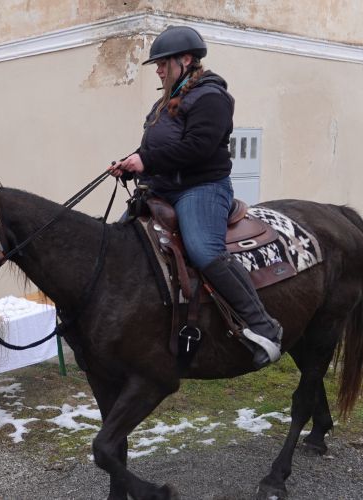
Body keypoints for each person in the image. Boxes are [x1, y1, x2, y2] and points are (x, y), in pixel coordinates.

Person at [108, 25, 282, 369]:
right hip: (162, 188)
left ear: (185, 60)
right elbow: (154, 149)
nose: (157, 69)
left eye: (162, 63)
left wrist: (148, 161)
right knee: (118, 242)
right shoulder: (165, 101)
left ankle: (264, 327)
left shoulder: (211, 97)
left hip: (200, 188)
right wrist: (132, 164)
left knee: (204, 251)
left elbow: (198, 148)